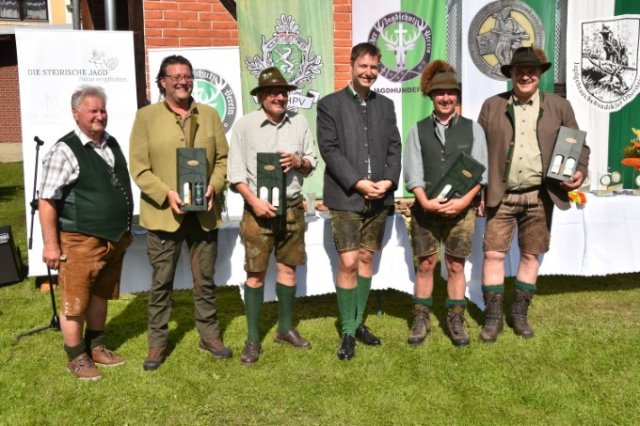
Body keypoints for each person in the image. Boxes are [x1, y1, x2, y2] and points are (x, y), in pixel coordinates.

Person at [477, 46, 589, 342]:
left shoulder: (559, 107)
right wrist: (478, 188)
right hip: (502, 194)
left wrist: (579, 171)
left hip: (541, 195)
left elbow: (579, 147)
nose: (525, 75)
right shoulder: (492, 106)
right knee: (492, 254)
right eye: (519, 71)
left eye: (531, 71)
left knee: (530, 255)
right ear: (511, 75)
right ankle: (492, 318)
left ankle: (519, 315)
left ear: (540, 75)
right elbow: (477, 151)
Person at [129, 55, 231, 369]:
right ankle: (157, 344)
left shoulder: (210, 115)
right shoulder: (146, 117)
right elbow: (139, 168)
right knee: (161, 284)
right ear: (162, 81)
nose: (182, 81)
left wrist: (214, 185)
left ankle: (209, 335)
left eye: (186, 76)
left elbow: (223, 160)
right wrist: (166, 194)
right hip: (164, 215)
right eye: (175, 76)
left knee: (206, 281)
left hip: (204, 214)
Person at [39, 85, 133, 381]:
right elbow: (47, 199)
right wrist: (51, 245)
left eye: (102, 110)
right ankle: (76, 356)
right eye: (92, 110)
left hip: (113, 238)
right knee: (75, 301)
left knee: (100, 294)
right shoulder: (64, 149)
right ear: (75, 113)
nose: (99, 116)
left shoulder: (111, 142)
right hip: (80, 238)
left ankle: (96, 346)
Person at [317, 42, 402, 360]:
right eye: (363, 66)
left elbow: (395, 146)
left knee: (367, 259)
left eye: (374, 67)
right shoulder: (329, 105)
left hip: (380, 195)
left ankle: (358, 322)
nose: (368, 72)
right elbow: (330, 150)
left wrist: (389, 181)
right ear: (351, 65)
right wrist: (359, 183)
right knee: (349, 261)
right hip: (346, 196)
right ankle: (349, 331)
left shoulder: (386, 106)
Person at [227, 67, 317, 365]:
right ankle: (253, 339)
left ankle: (285, 328)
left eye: (284, 93)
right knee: (254, 274)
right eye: (274, 92)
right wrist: (254, 202)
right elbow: (236, 174)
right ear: (261, 96)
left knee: (289, 270)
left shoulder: (299, 123)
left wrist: (299, 160)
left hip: (291, 207)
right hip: (258, 211)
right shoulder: (244, 127)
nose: (280, 97)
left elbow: (312, 162)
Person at [403, 61, 488, 347]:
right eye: (440, 93)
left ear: (457, 96)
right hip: (425, 209)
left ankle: (455, 317)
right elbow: (413, 172)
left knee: (455, 265)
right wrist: (425, 202)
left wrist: (464, 201)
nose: (445, 98)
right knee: (426, 264)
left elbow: (481, 172)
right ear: (431, 96)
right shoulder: (417, 130)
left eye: (451, 93)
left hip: (461, 211)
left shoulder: (473, 129)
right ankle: (420, 317)